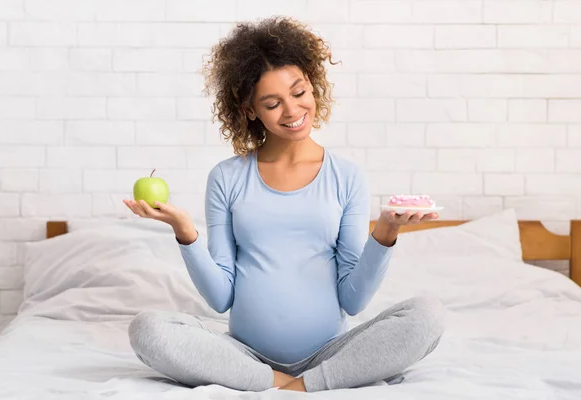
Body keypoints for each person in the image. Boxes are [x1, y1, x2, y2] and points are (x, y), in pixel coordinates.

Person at [123, 17, 446, 393]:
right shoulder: (226, 178)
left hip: (331, 352)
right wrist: (185, 232)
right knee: (146, 329)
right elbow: (220, 298)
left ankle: (305, 382)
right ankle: (282, 382)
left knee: (428, 315)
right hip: (243, 354)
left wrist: (386, 232)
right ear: (249, 110)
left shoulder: (347, 176)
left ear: (313, 86)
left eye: (299, 92)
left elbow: (353, 300)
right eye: (273, 103)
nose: (292, 111)